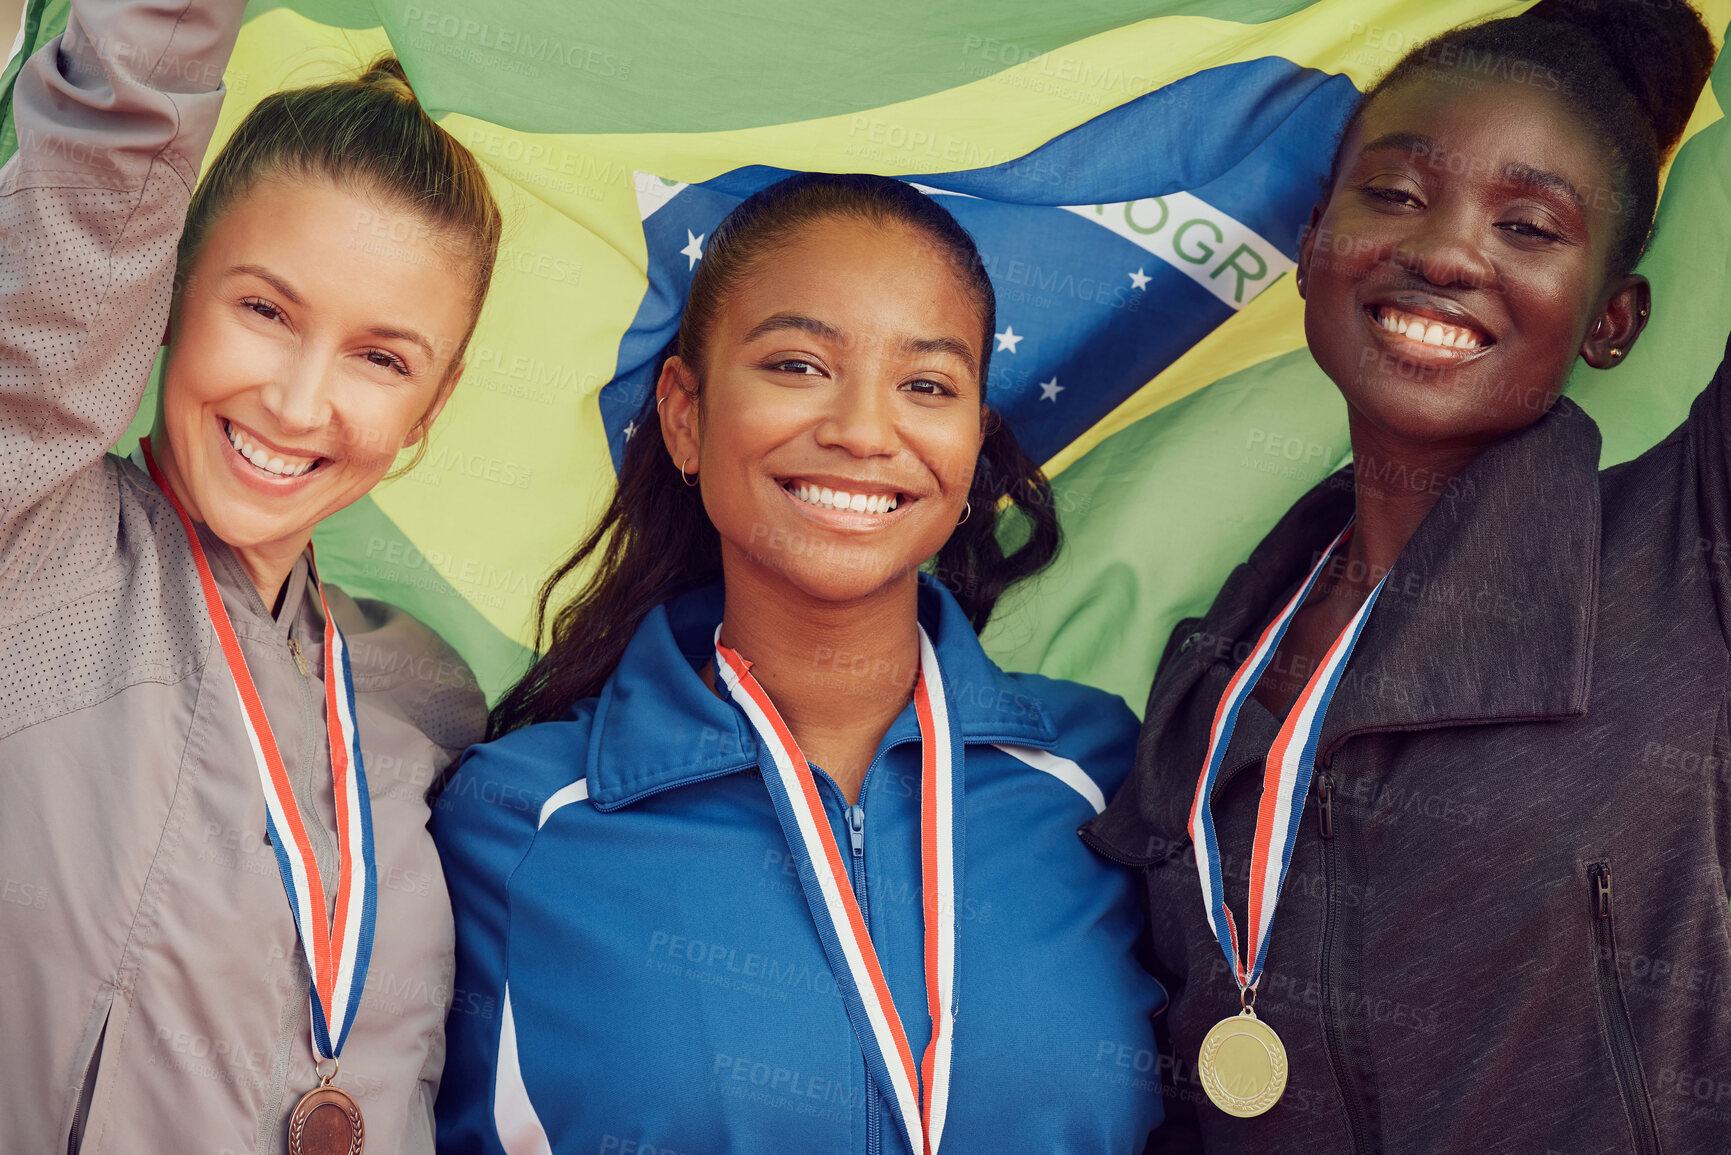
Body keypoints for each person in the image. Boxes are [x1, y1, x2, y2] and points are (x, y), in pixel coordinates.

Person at [1083, 0, 1726, 1151]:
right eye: (1396, 195)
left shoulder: (1691, 552)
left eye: (1530, 225)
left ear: (1613, 321)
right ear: (1315, 241)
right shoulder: (1207, 682)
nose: (1443, 251)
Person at [432, 172, 1165, 1153]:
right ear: (686, 416)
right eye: (797, 365)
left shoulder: (1107, 777)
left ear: (972, 446)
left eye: (928, 385)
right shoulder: (516, 821)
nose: (864, 430)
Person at [0, 0, 502, 1149]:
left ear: (436, 402)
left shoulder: (424, 699)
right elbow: (87, 215)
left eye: (382, 357)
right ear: (169, 288)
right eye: (267, 309)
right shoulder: (30, 536)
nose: (297, 400)